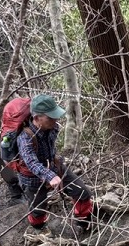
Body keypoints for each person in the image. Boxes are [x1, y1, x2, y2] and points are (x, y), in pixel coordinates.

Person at [16, 94, 94, 231]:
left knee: (82, 192)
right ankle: (39, 229)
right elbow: (31, 162)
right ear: (37, 118)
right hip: (33, 179)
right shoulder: (25, 137)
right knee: (38, 210)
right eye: (51, 117)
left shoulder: (53, 128)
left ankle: (83, 223)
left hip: (55, 166)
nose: (56, 120)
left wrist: (54, 171)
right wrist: (50, 176)